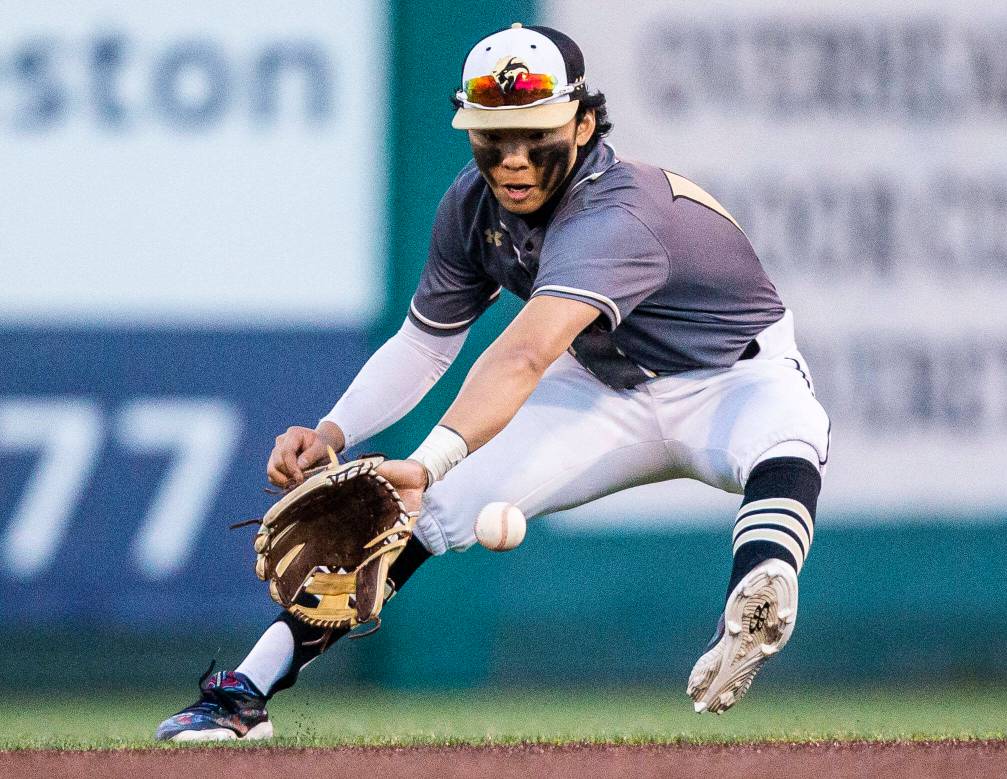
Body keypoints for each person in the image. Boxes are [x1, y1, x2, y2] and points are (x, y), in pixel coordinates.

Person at [155, 23, 830, 741]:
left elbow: (524, 357)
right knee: (415, 514)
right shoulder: (472, 204)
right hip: (601, 387)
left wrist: (424, 459)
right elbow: (423, 342)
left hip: (732, 376)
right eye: (490, 136)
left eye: (533, 133)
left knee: (789, 435)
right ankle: (244, 696)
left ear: (583, 123)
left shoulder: (615, 213)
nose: (510, 159)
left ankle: (757, 592)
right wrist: (333, 430)